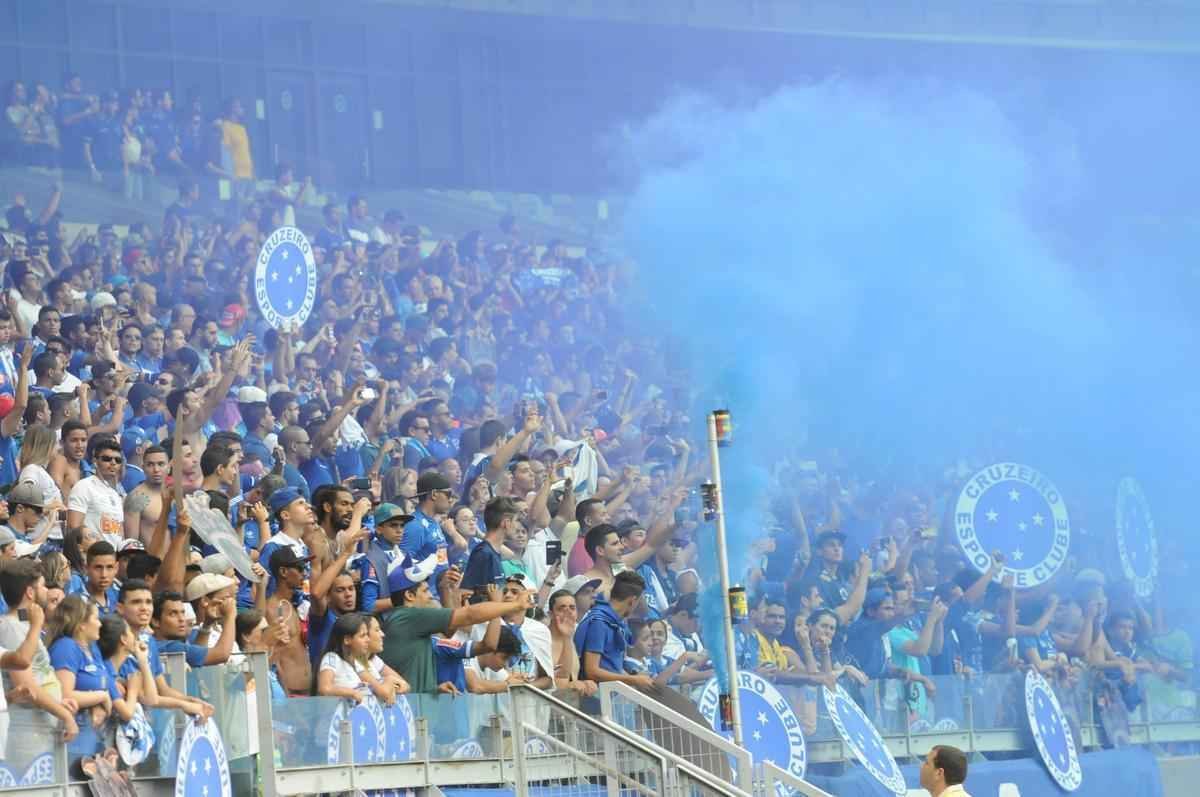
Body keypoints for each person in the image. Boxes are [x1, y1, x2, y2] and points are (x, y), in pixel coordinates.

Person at [379, 552, 530, 693]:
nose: (431, 596)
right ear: (409, 595)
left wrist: (433, 690)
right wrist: (514, 605)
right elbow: (469, 615)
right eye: (425, 591)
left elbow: (450, 631)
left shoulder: (407, 622)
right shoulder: (408, 617)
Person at [574, 570, 654, 690]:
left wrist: (638, 682)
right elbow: (592, 671)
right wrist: (633, 680)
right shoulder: (599, 623)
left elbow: (612, 667)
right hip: (595, 700)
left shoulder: (616, 622)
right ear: (632, 601)